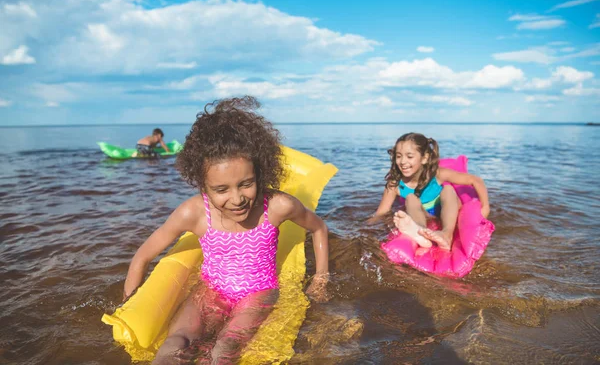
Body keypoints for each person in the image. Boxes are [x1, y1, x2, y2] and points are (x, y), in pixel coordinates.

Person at [122, 97, 330, 364]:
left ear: (260, 173)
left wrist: (320, 279)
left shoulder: (278, 206)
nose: (237, 198)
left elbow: (319, 228)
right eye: (221, 189)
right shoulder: (194, 213)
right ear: (203, 186)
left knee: (225, 347)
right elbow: (142, 256)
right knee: (176, 344)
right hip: (211, 290)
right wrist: (128, 303)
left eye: (246, 184)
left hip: (259, 292)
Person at [372, 132, 489, 251]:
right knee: (411, 198)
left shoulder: (437, 174)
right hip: (423, 215)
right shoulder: (394, 185)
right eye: (398, 156)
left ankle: (446, 234)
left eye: (409, 156)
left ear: (424, 158)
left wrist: (485, 207)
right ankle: (421, 233)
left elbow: (475, 180)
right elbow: (381, 213)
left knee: (448, 189)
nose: (402, 162)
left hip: (447, 209)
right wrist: (361, 230)